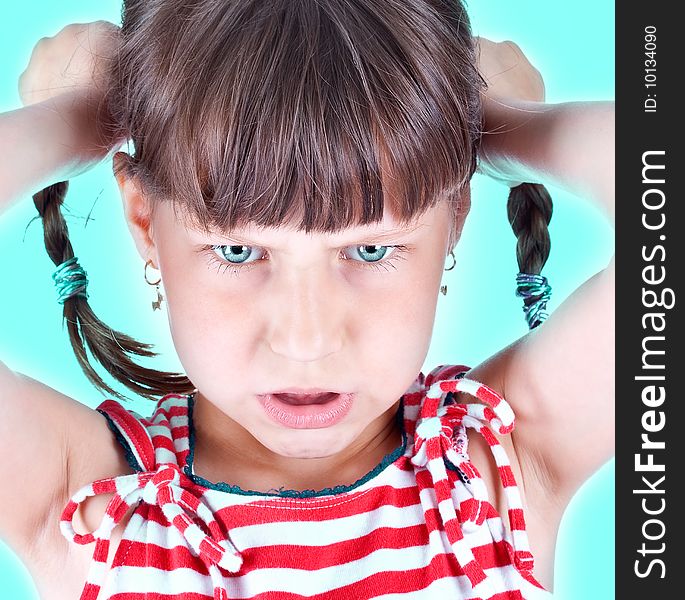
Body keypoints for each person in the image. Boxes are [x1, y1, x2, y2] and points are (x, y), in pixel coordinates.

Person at [0, 1, 614, 598]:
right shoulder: (91, 505)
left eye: (370, 250)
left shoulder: (499, 463)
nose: (307, 341)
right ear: (144, 221)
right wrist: (84, 116)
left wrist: (500, 121)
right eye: (238, 252)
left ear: (454, 214)